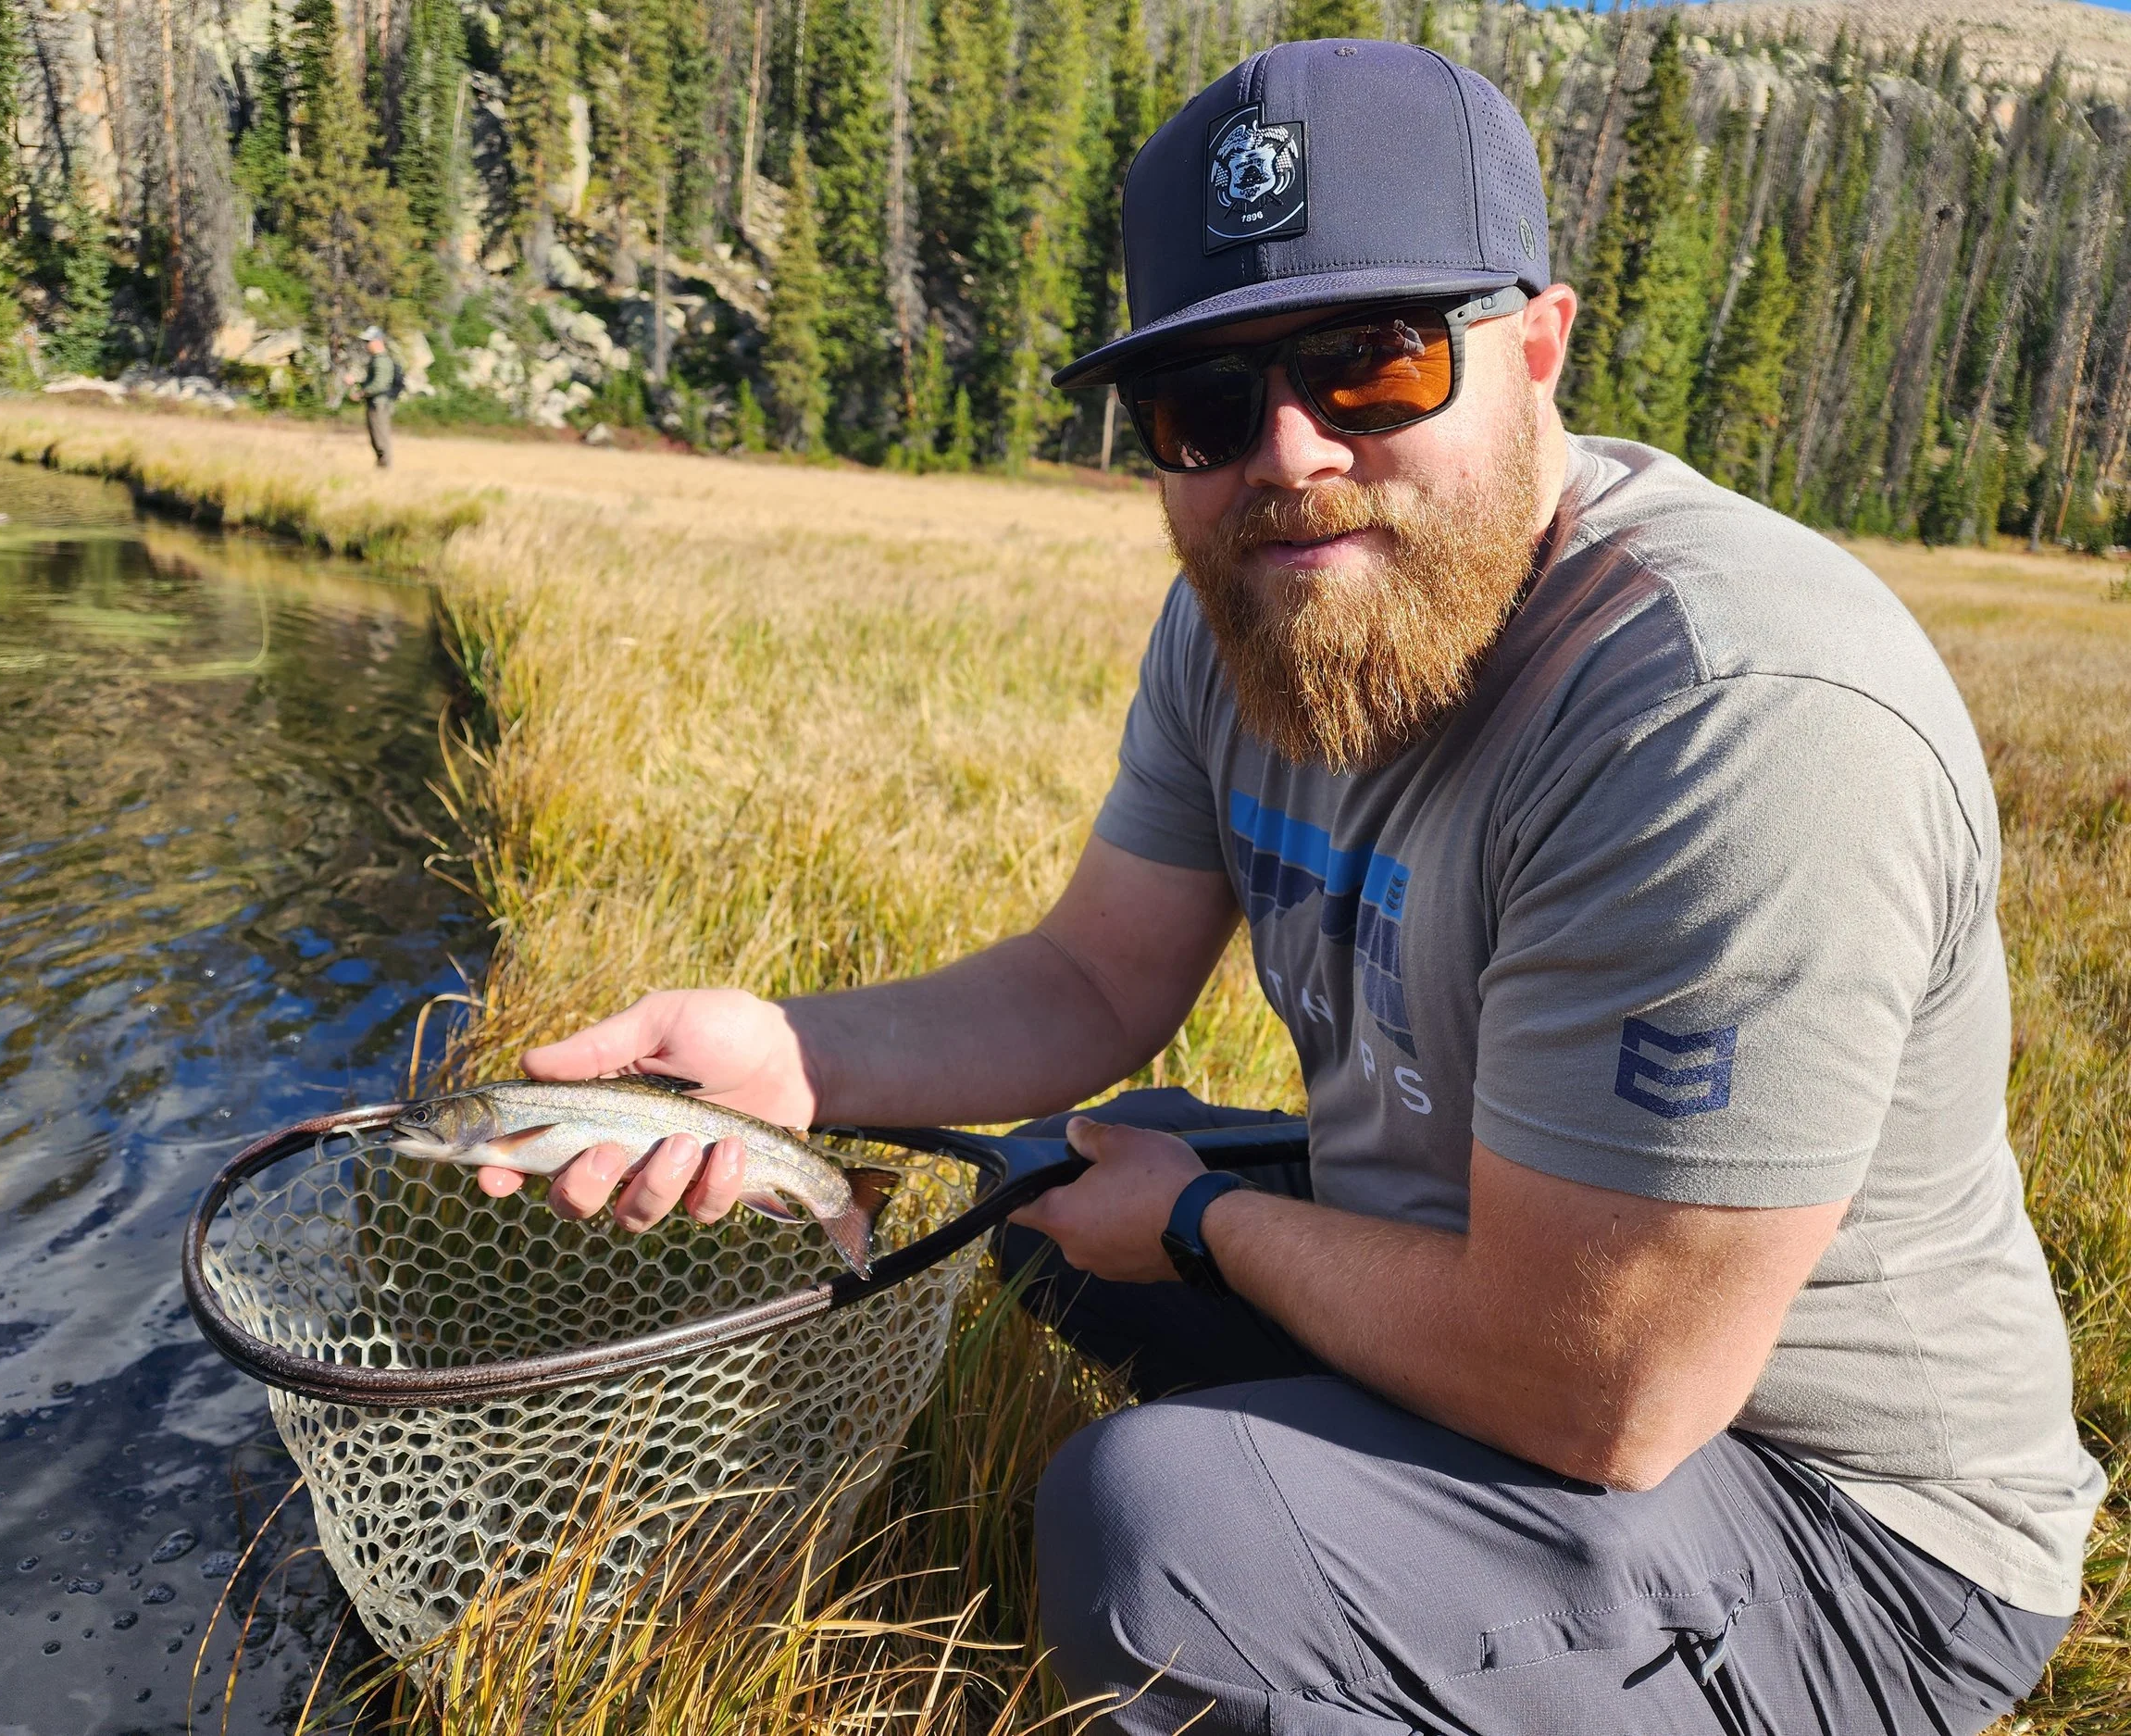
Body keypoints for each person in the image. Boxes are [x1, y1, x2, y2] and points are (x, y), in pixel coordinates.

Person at [476, 40, 2100, 1736]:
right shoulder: (1244, 618)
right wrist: (783, 1061)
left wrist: (1201, 1222)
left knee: (1160, 1533)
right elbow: (1095, 985)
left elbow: (1609, 1391)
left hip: (1848, 1531)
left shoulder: (1729, 718)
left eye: (1371, 368)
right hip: (1509, 1293)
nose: (1289, 454)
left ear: (1538, 347)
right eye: (1203, 406)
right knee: (1043, 1192)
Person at [358, 325, 403, 468]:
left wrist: (362, 393)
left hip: (379, 405)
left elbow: (380, 384)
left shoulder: (381, 361)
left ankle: (385, 470)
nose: (366, 345)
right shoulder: (377, 360)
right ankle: (381, 469)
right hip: (377, 404)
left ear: (377, 341)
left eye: (368, 341)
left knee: (381, 440)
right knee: (377, 439)